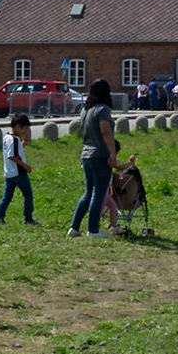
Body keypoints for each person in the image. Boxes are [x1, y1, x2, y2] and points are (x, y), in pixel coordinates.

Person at [69, 80, 121, 238]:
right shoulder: (103, 110)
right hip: (100, 155)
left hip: (86, 154)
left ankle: (74, 227)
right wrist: (112, 153)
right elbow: (105, 131)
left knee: (88, 192)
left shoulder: (85, 110)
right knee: (98, 194)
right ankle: (93, 229)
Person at [0, 113, 36, 224]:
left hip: (8, 173)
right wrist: (24, 165)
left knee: (7, 197)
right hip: (18, 172)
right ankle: (28, 218)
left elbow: (15, 151)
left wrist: (24, 143)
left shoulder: (7, 137)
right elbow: (12, 156)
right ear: (18, 126)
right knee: (28, 195)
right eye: (25, 128)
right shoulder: (15, 140)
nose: (25, 131)